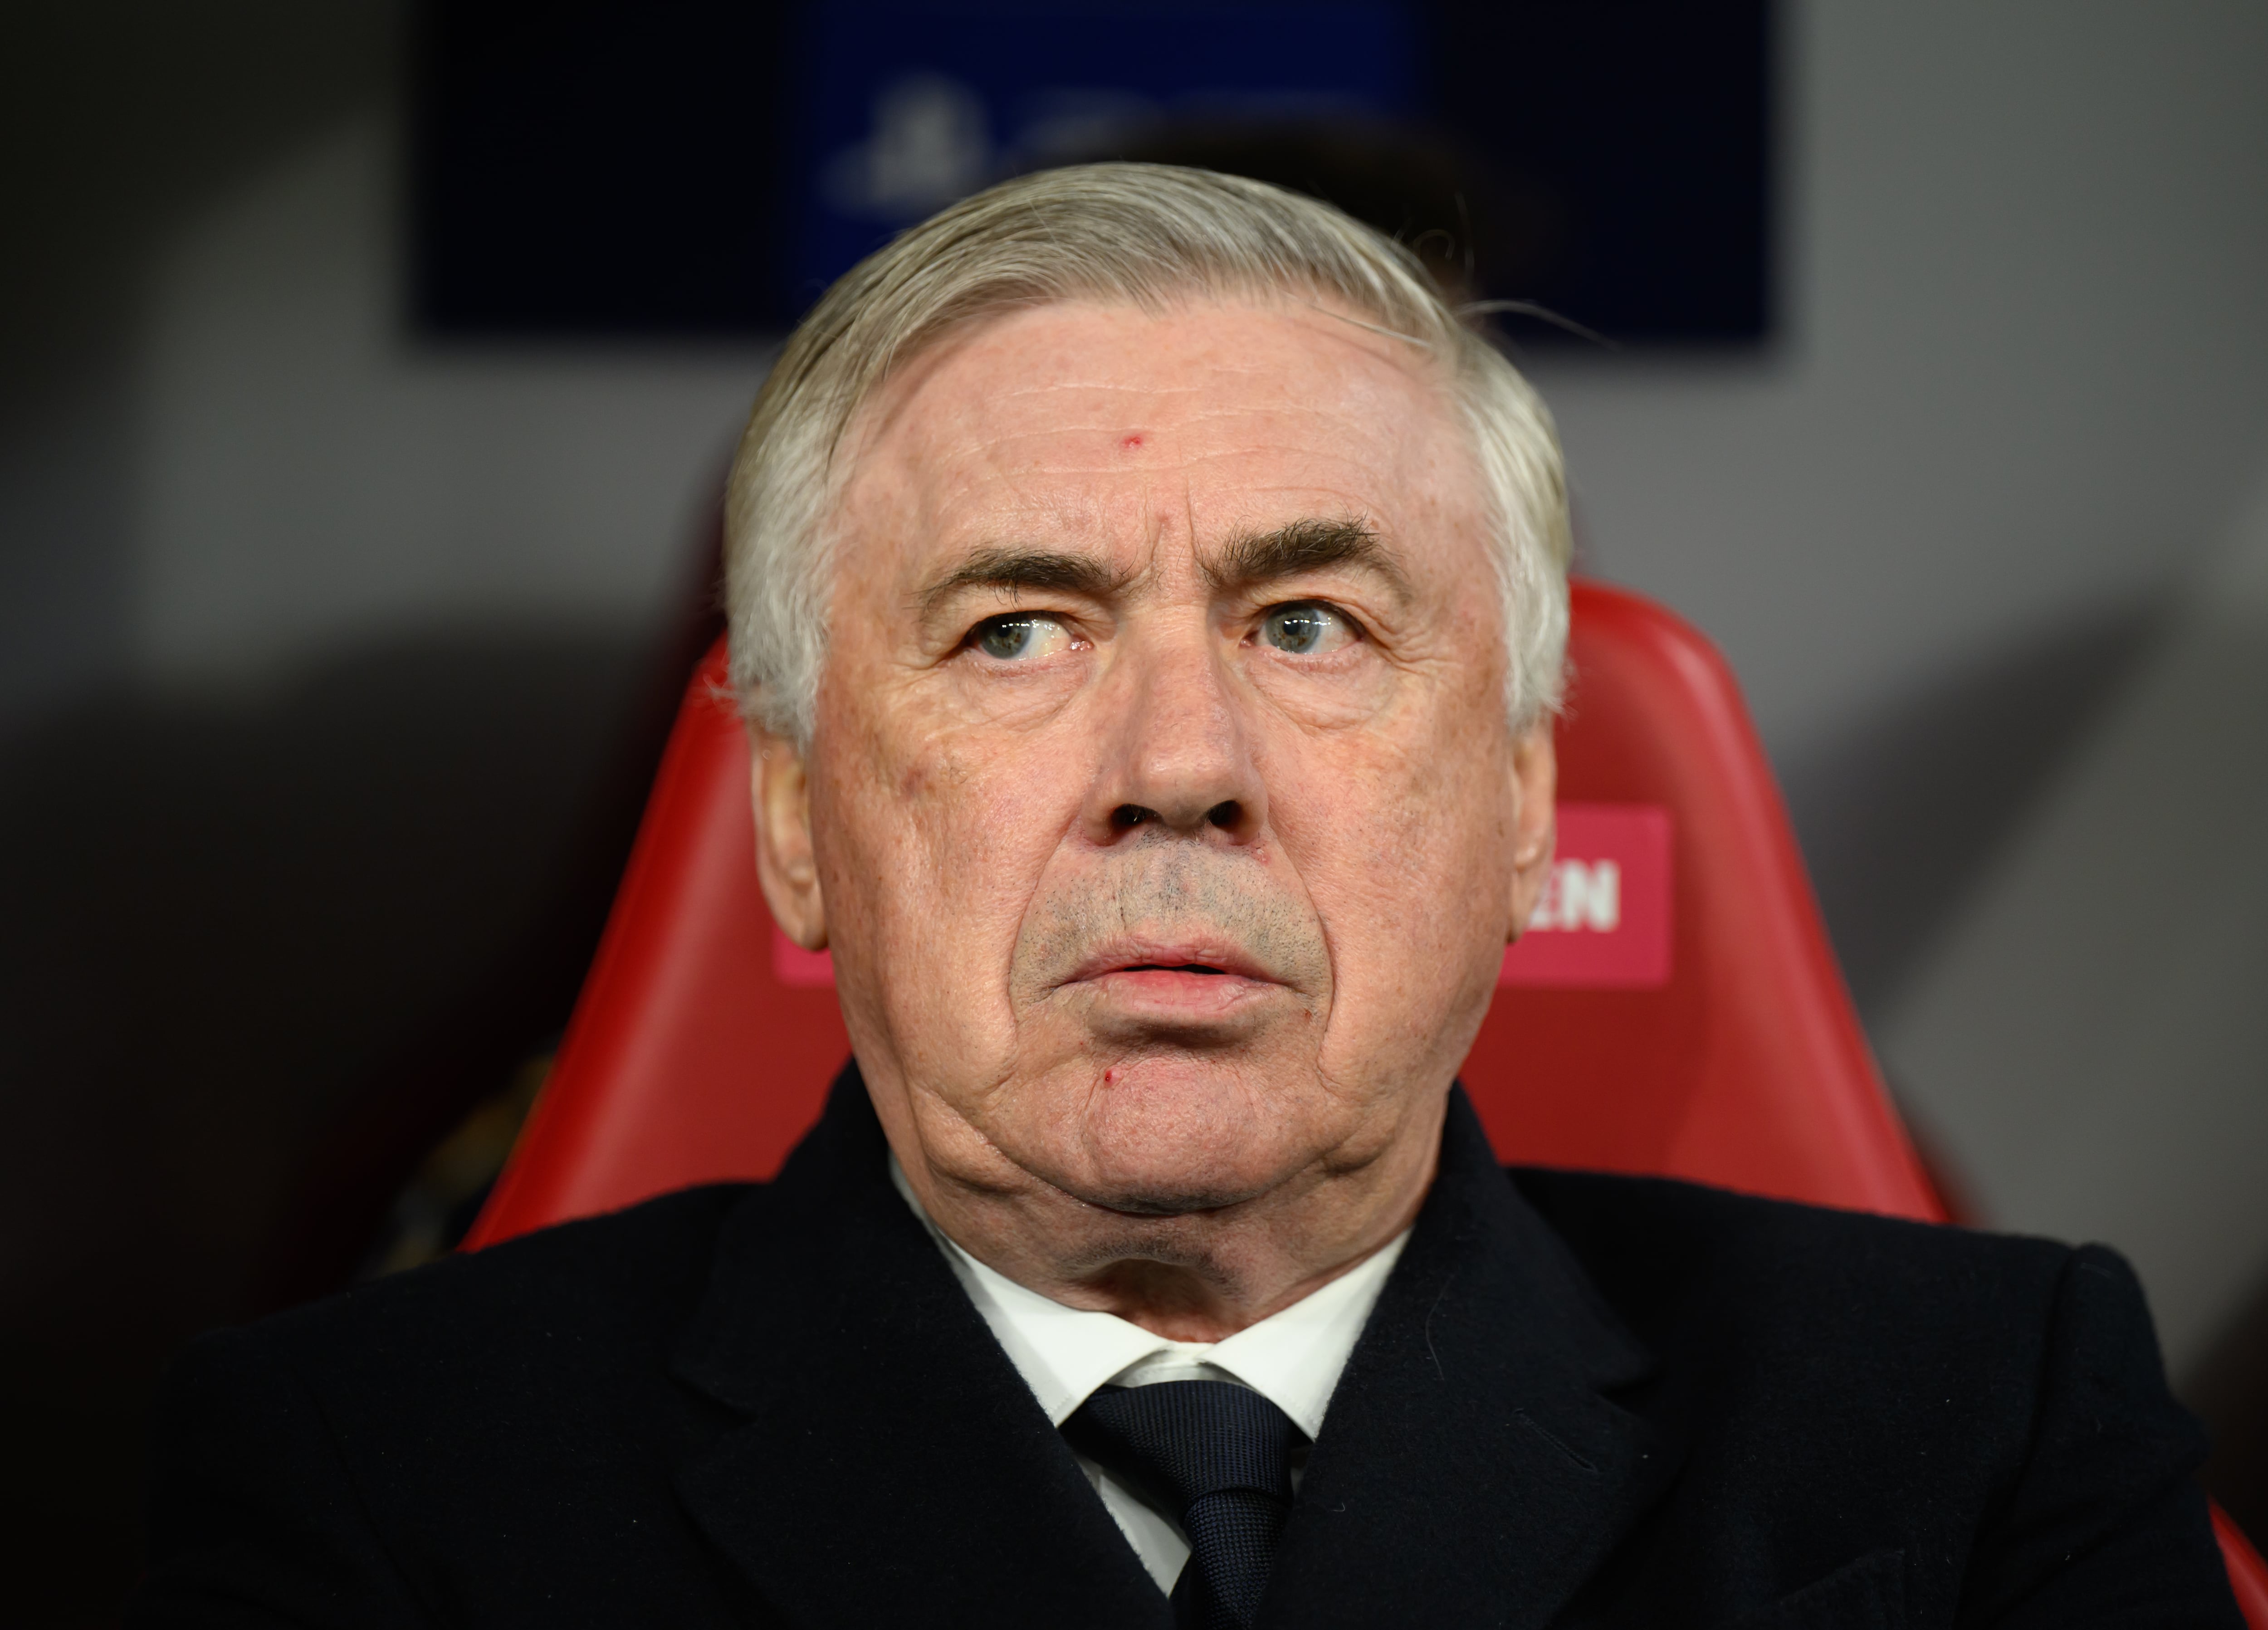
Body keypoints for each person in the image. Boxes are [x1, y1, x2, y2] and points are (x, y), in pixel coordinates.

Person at [134, 165, 2243, 1628]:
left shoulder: (1985, 1413)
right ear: (789, 818)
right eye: (1014, 630)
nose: (1177, 763)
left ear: (1520, 798)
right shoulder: (358, 1475)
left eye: (1311, 622)